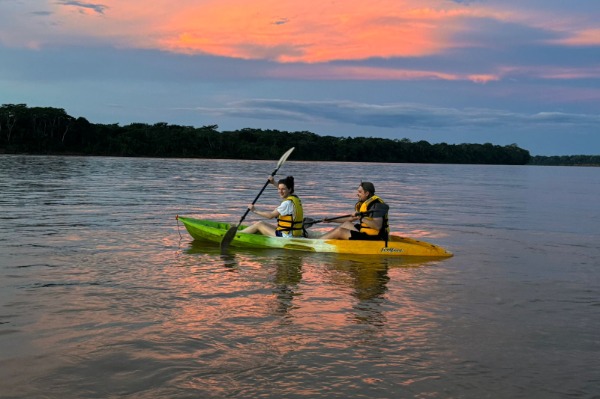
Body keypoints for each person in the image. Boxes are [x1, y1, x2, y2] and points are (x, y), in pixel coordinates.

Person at [319, 182, 389, 240]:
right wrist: (331, 220)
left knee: (340, 231)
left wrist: (361, 218)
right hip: (366, 232)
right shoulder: (364, 203)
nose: (357, 194)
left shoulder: (376, 205)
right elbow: (350, 218)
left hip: (376, 237)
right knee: (346, 224)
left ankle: (317, 243)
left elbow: (377, 226)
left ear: (367, 193)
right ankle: (322, 239)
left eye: (360, 192)